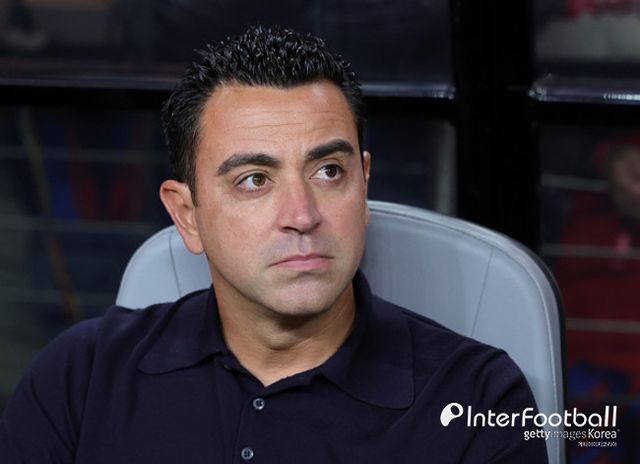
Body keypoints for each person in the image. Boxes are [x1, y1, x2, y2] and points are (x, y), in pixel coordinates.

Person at [0, 25, 548, 463]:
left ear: (364, 184)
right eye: (255, 180)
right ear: (187, 216)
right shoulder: (81, 377)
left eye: (329, 171)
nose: (302, 216)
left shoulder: (476, 399)